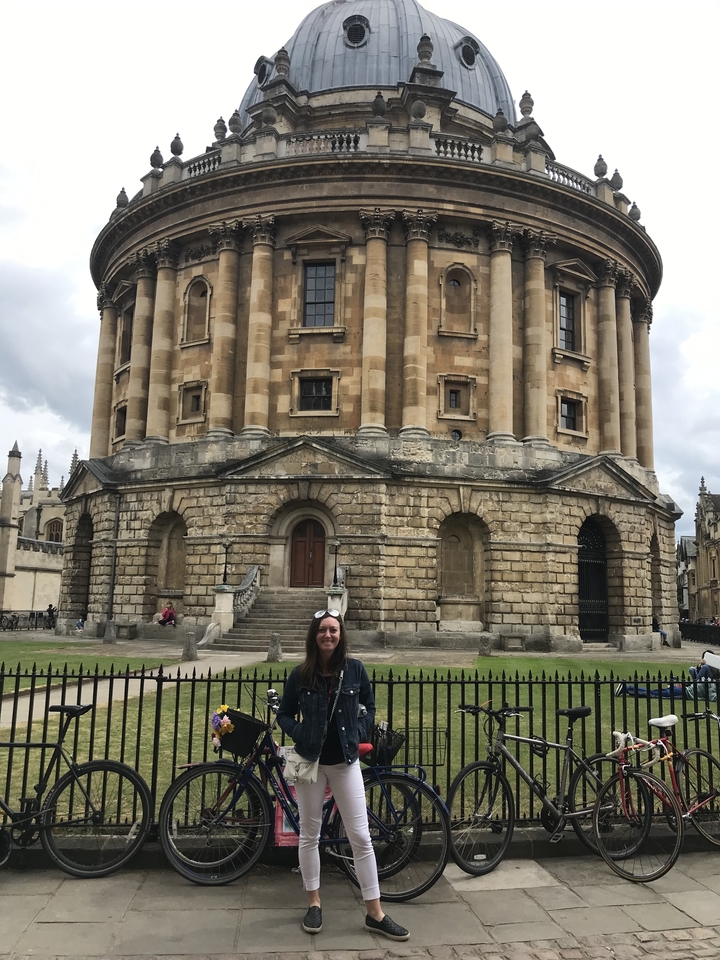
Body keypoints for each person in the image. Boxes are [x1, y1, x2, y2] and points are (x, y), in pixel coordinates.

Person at [277, 609, 409, 942]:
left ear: (341, 634)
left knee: (361, 838)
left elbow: (369, 705)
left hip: (345, 762)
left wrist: (360, 733)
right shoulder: (300, 674)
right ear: (315, 635)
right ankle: (314, 902)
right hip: (312, 763)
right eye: (323, 630)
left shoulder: (355, 670)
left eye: (333, 630)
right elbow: (284, 714)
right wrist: (302, 734)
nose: (328, 635)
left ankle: (375, 912)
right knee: (310, 834)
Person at [616, 649, 720, 700]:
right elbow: (691, 670)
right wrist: (699, 666)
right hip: (683, 690)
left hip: (683, 693)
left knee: (654, 694)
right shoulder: (706, 680)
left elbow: (713, 697)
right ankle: (627, 688)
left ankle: (627, 688)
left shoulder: (711, 685)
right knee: (655, 693)